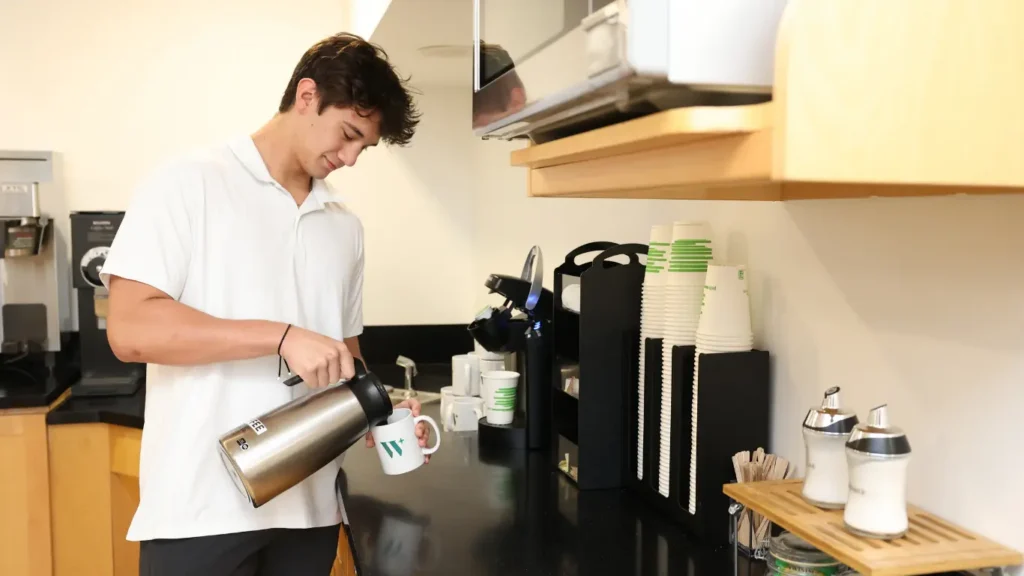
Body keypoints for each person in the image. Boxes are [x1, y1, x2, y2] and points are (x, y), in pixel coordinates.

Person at [102, 33, 424, 575]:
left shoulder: (343, 226)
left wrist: (380, 410)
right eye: (348, 135)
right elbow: (130, 329)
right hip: (199, 511)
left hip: (310, 511)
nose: (348, 159)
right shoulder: (188, 183)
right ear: (306, 96)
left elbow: (344, 357)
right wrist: (280, 336)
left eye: (362, 148)